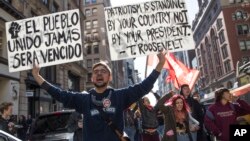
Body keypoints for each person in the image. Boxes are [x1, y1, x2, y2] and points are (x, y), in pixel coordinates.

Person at [31, 52, 166, 141]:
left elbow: (144, 87)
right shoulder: (84, 99)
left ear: (110, 77)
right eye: (96, 72)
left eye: (103, 71)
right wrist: (37, 76)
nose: (99, 74)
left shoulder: (119, 96)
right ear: (92, 77)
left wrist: (160, 64)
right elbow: (59, 94)